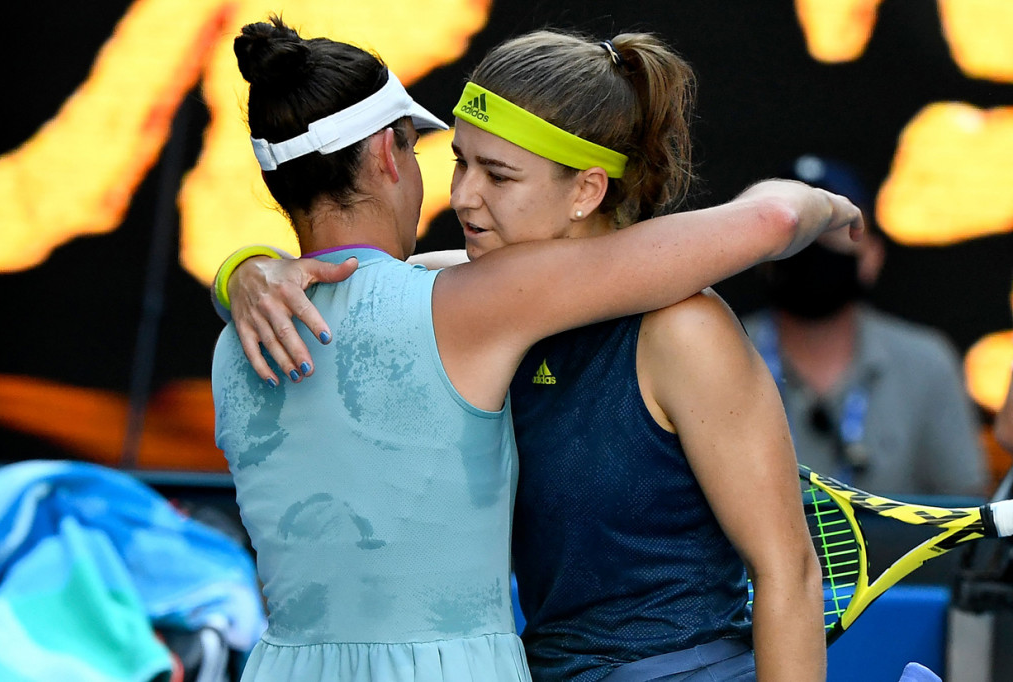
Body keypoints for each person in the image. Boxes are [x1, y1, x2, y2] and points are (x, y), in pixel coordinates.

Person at [214, 26, 860, 682]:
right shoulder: (454, 302)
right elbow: (348, 284)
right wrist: (246, 271)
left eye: (497, 174)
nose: (463, 196)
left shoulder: (683, 330)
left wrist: (827, 206)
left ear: (585, 190)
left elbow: (790, 574)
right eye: (459, 162)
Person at [743, 155, 987, 497]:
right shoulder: (718, 354)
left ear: (873, 255)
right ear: (761, 253)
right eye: (795, 228)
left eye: (832, 227)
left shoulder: (926, 362)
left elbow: (968, 515)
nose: (813, 246)